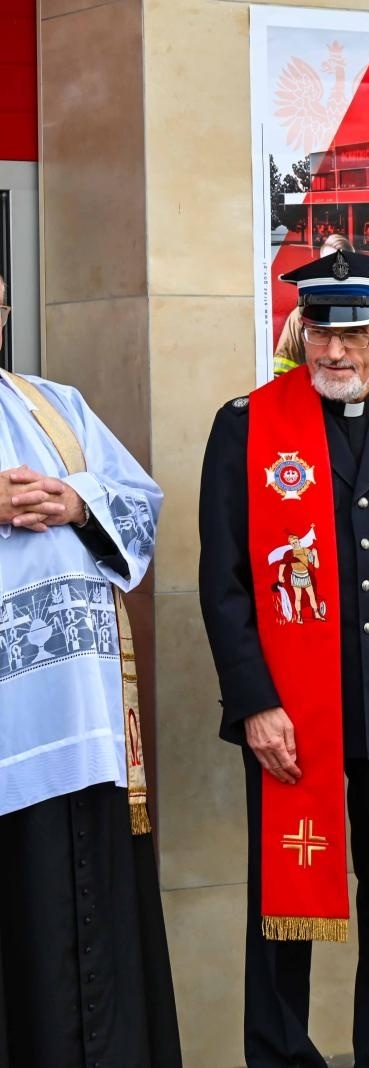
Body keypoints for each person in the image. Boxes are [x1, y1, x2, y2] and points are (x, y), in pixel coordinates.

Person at [199, 249, 369, 1066]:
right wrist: (254, 704)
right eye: (321, 332)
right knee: (285, 901)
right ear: (301, 329)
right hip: (293, 710)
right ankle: (279, 1057)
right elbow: (223, 582)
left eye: (354, 334)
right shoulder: (246, 424)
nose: (336, 353)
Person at [0, 272, 180, 1067]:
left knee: (88, 920)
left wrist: (75, 502)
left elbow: (139, 499)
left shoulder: (54, 404)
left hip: (82, 723)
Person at [274, 233, 354, 375]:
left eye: (343, 266)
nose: (336, 272)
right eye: (329, 265)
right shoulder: (300, 316)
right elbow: (281, 374)